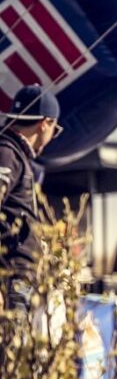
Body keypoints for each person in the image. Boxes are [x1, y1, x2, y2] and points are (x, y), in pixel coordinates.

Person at [0, 85, 61, 311]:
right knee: (12, 332)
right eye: (55, 129)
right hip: (9, 275)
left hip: (18, 275)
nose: (52, 137)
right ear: (45, 123)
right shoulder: (7, 152)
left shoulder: (14, 154)